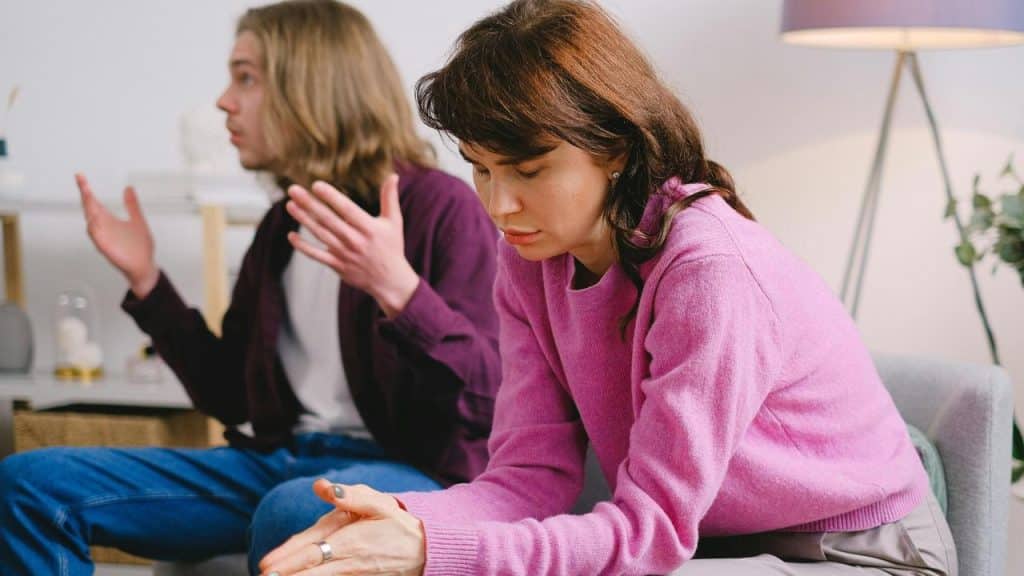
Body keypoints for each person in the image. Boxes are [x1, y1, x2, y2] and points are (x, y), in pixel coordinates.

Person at [256, 1, 957, 575]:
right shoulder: (531, 258)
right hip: (716, 546)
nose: (498, 205)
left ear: (614, 148)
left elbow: (650, 534)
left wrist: (435, 551)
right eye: (480, 168)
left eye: (528, 170)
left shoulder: (709, 271)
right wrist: (405, 521)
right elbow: (527, 480)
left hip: (855, 551)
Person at [0, 1, 500, 573]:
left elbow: (487, 399)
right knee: (29, 484)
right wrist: (147, 281)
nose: (224, 101)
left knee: (293, 510)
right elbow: (230, 397)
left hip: (406, 475)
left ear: (309, 86)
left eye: (245, 78)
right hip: (277, 463)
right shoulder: (278, 229)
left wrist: (400, 294)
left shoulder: (439, 207)